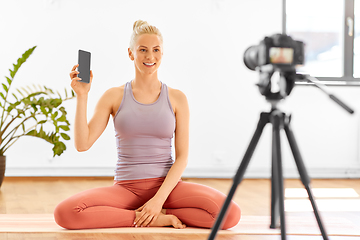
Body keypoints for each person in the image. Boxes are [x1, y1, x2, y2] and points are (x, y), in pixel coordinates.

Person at [54, 20, 241, 230]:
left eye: (156, 50)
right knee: (66, 213)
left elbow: (182, 157)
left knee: (230, 214)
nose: (150, 56)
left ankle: (157, 213)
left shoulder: (177, 98)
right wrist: (82, 96)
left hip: (168, 188)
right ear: (131, 53)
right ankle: (146, 218)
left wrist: (158, 201)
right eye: (142, 50)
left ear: (162, 53)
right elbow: (82, 144)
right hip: (126, 189)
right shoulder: (113, 96)